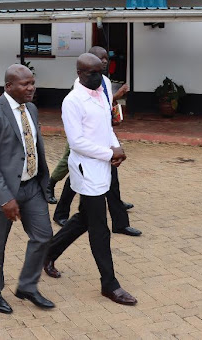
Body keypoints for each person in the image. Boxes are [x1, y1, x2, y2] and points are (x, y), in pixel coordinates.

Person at [43, 54, 137, 306]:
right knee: (99, 228)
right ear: (80, 73)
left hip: (103, 165)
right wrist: (109, 153)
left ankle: (48, 252)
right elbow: (76, 142)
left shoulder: (101, 91)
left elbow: (107, 127)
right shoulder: (72, 101)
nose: (99, 77)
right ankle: (110, 284)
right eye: (93, 73)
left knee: (84, 218)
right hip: (87, 169)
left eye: (101, 72)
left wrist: (117, 148)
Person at [0, 64, 55, 314]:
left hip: (31, 186)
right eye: (25, 84)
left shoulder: (31, 108)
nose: (31, 88)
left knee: (43, 236)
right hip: (2, 193)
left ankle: (27, 287)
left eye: (33, 83)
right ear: (9, 86)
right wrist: (5, 198)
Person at [48, 46, 139, 239]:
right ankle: (61, 213)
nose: (104, 63)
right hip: (84, 144)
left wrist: (114, 144)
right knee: (74, 179)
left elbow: (104, 108)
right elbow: (78, 133)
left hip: (104, 141)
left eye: (105, 60)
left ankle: (120, 223)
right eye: (100, 59)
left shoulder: (104, 81)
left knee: (112, 184)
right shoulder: (80, 86)